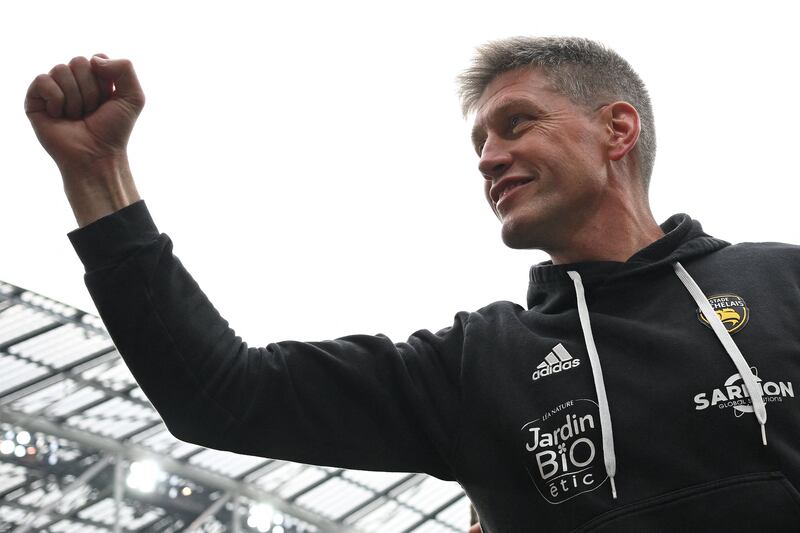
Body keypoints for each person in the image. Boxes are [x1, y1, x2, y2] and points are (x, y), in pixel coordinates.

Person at [25, 37, 800, 532]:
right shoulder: (472, 367)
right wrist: (97, 176)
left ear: (617, 130)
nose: (488, 158)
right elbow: (224, 393)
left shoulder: (782, 282)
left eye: (516, 124)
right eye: (479, 142)